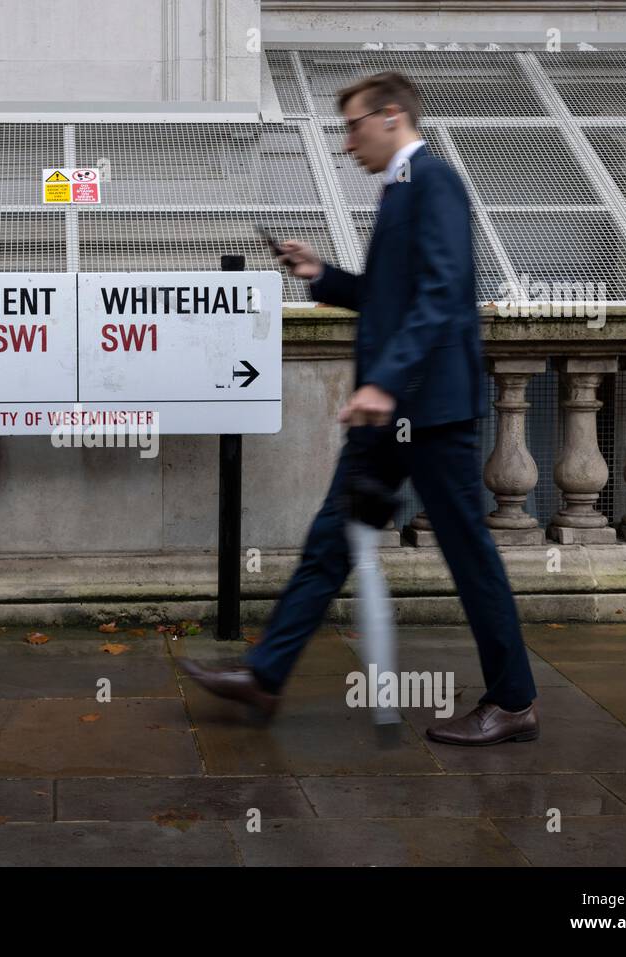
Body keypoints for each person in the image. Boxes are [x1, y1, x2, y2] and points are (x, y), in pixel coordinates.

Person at [177, 71, 539, 746]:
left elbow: (441, 294)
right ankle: (265, 673)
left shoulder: (435, 182)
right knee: (329, 543)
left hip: (427, 413)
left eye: (353, 125)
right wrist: (322, 275)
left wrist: (383, 383)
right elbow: (391, 295)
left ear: (392, 116)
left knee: (468, 555)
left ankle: (514, 702)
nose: (346, 144)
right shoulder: (402, 190)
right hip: (390, 416)